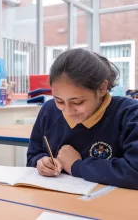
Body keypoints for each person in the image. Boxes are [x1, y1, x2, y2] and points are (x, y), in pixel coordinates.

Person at [27, 48, 138, 189]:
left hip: (108, 205)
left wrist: (76, 166)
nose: (67, 111)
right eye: (59, 101)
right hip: (55, 202)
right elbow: (33, 156)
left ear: (102, 88)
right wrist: (41, 163)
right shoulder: (49, 110)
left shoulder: (130, 114)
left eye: (77, 102)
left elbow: (134, 172)